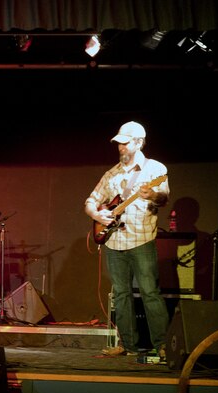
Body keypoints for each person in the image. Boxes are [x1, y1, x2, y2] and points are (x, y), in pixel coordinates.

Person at [84, 121, 171, 358]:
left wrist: (152, 193)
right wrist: (96, 213)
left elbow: (163, 198)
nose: (120, 147)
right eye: (118, 143)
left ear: (139, 143)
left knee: (150, 293)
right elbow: (90, 201)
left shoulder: (154, 169)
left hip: (141, 240)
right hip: (113, 242)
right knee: (120, 295)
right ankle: (127, 345)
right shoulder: (111, 174)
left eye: (125, 143)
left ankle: (162, 345)